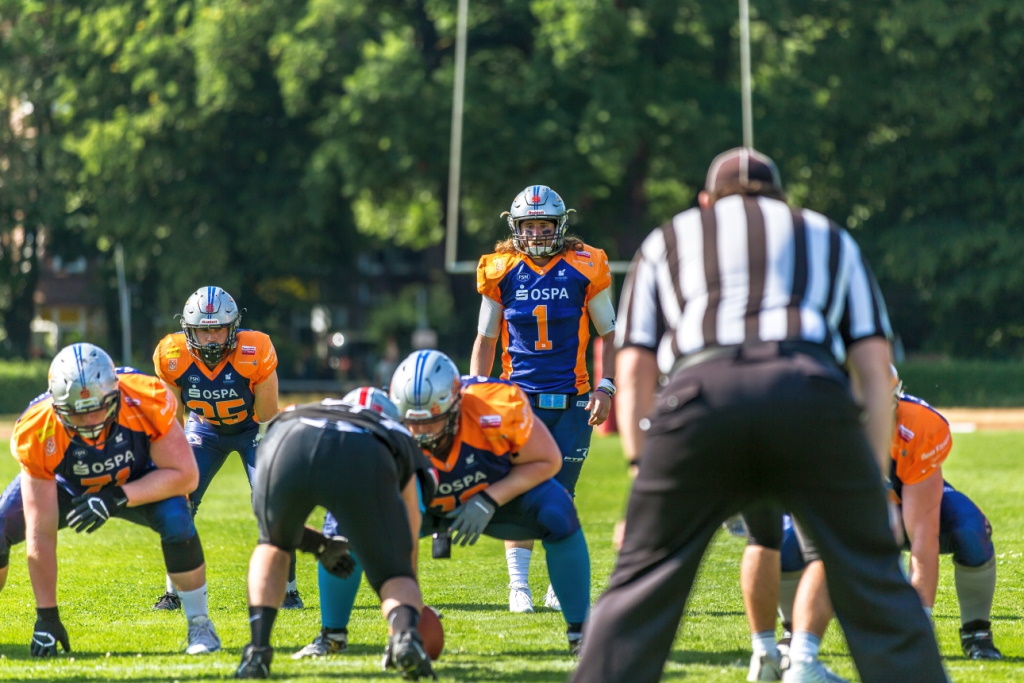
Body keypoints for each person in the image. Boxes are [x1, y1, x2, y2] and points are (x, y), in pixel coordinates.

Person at [572, 147, 947, 683]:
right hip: (809, 394)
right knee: (873, 580)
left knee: (640, 585)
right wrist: (868, 484)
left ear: (706, 201)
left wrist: (641, 475)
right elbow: (872, 364)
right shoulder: (827, 235)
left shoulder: (668, 239)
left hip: (700, 398)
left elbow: (633, 371)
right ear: (781, 198)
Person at [0, 343, 221, 656]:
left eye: (97, 409)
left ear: (116, 396)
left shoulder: (145, 398)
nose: (90, 422)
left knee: (177, 518)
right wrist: (46, 616)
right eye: (78, 413)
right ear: (57, 407)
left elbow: (185, 476)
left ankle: (200, 624)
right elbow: (42, 531)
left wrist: (117, 497)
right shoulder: (37, 427)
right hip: (69, 487)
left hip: (137, 480)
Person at [772, 366, 1003, 666]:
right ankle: (794, 631)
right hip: (840, 509)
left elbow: (923, 535)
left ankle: (977, 633)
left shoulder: (918, 426)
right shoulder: (812, 433)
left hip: (903, 504)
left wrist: (919, 622)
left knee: (971, 530)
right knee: (785, 538)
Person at [470, 184, 616, 614]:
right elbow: (486, 339)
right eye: (529, 226)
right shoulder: (500, 269)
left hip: (572, 399)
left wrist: (607, 386)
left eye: (544, 225)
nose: (536, 234)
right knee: (520, 491)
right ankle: (519, 586)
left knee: (562, 494)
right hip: (518, 400)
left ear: (560, 225)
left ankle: (557, 583)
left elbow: (610, 335)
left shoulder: (586, 264)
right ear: (516, 227)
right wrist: (477, 392)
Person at [390, 349, 592, 654]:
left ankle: (580, 631)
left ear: (455, 404)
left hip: (497, 495)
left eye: (432, 421)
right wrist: (410, 608)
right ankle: (333, 633)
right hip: (423, 499)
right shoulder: (388, 424)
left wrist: (489, 499)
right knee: (349, 526)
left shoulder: (497, 405)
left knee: (558, 510)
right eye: (413, 423)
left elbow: (548, 460)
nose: (422, 433)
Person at [235, 388, 439, 680]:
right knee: (395, 574)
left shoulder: (307, 408)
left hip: (289, 435)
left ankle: (257, 651)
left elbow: (276, 527)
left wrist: (319, 545)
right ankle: (406, 639)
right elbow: (408, 533)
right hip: (363, 452)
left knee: (272, 545)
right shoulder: (396, 433)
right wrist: (408, 603)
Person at [151, 286, 302, 610]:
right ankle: (173, 592)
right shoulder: (171, 354)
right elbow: (171, 422)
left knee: (273, 499)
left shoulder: (255, 349)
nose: (211, 338)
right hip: (204, 430)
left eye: (218, 328)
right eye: (203, 330)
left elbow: (266, 414)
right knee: (178, 500)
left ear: (233, 327)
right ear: (188, 330)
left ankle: (288, 590)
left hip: (253, 429)